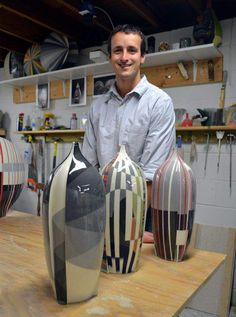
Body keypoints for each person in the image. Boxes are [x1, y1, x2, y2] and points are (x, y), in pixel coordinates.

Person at [82, 24, 176, 242]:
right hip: (104, 207)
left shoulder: (159, 103)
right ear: (110, 57)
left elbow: (151, 174)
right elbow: (87, 165)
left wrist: (130, 222)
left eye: (132, 50)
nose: (125, 57)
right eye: (118, 50)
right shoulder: (97, 107)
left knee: (140, 274)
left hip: (145, 209)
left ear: (142, 57)